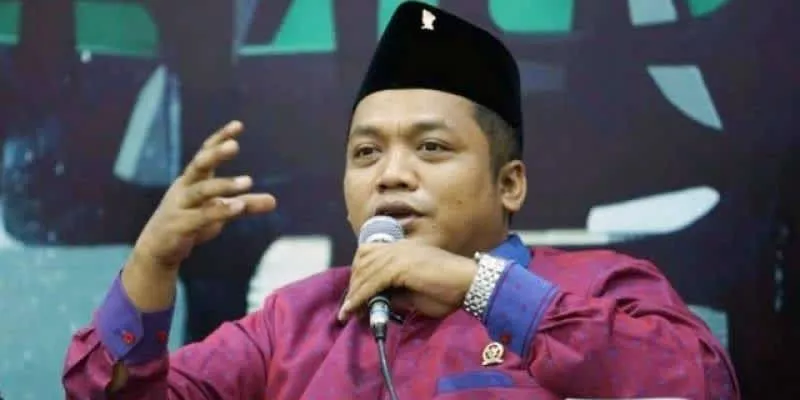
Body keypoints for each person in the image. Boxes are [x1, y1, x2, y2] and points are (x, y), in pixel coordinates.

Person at [62, 2, 739, 399]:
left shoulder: (600, 288)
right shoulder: (293, 324)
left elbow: (696, 386)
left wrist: (478, 286)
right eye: (366, 153)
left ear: (509, 184)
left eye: (432, 148)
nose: (391, 175)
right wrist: (152, 262)